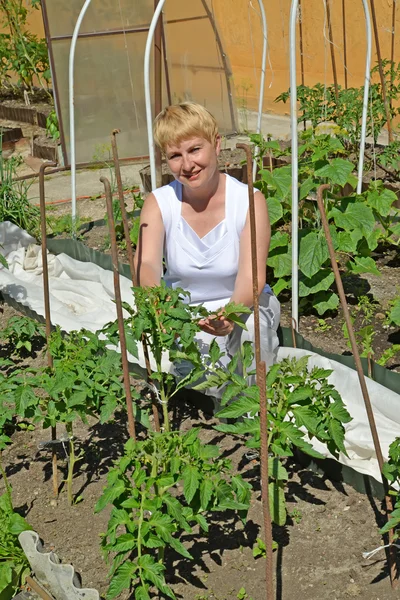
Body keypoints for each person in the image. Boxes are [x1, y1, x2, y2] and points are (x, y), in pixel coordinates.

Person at [134, 102, 280, 390]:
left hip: (244, 305)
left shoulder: (248, 201)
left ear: (216, 144)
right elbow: (147, 262)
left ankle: (257, 415)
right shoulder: (160, 203)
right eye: (175, 155)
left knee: (251, 344)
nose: (187, 165)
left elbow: (252, 275)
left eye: (194, 149)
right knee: (184, 381)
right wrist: (158, 305)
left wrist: (231, 315)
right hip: (185, 314)